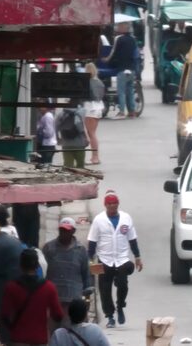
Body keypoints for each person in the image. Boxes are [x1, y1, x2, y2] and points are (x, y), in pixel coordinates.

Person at [87, 191, 143, 328]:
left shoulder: (126, 218)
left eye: (114, 203)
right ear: (105, 205)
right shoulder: (99, 220)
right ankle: (110, 316)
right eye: (109, 204)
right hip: (104, 259)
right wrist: (90, 260)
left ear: (118, 204)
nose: (112, 206)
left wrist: (137, 256)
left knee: (123, 284)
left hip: (122, 258)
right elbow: (92, 241)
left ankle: (120, 306)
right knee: (105, 290)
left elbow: (132, 239)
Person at [1, 248, 64, 345]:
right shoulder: (49, 287)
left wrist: (13, 328)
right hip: (39, 340)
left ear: (20, 265)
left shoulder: (11, 287)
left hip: (18, 339)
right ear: (37, 266)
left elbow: (5, 315)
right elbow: (58, 316)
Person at [43, 217, 92, 329]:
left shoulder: (80, 250)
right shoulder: (49, 248)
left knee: (72, 332)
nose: (64, 233)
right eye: (62, 230)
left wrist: (87, 295)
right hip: (54, 300)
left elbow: (86, 273)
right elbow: (43, 272)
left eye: (67, 230)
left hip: (73, 301)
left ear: (73, 231)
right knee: (53, 333)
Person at [102, 22, 138, 119]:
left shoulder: (118, 39)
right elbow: (135, 54)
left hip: (122, 69)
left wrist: (106, 60)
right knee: (130, 91)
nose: (116, 27)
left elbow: (113, 53)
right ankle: (132, 112)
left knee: (121, 92)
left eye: (118, 26)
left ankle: (122, 112)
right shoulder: (133, 39)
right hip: (131, 70)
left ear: (123, 28)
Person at [83, 63, 105, 165]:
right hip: (98, 107)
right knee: (93, 133)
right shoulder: (100, 82)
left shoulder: (87, 82)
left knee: (91, 134)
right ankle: (95, 157)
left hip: (90, 108)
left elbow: (86, 95)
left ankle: (95, 157)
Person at [57, 102, 89, 169]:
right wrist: (86, 138)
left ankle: (69, 178)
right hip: (79, 144)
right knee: (80, 165)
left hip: (66, 144)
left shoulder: (61, 114)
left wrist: (58, 139)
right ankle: (79, 178)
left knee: (68, 166)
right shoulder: (80, 113)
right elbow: (81, 128)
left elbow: (56, 127)